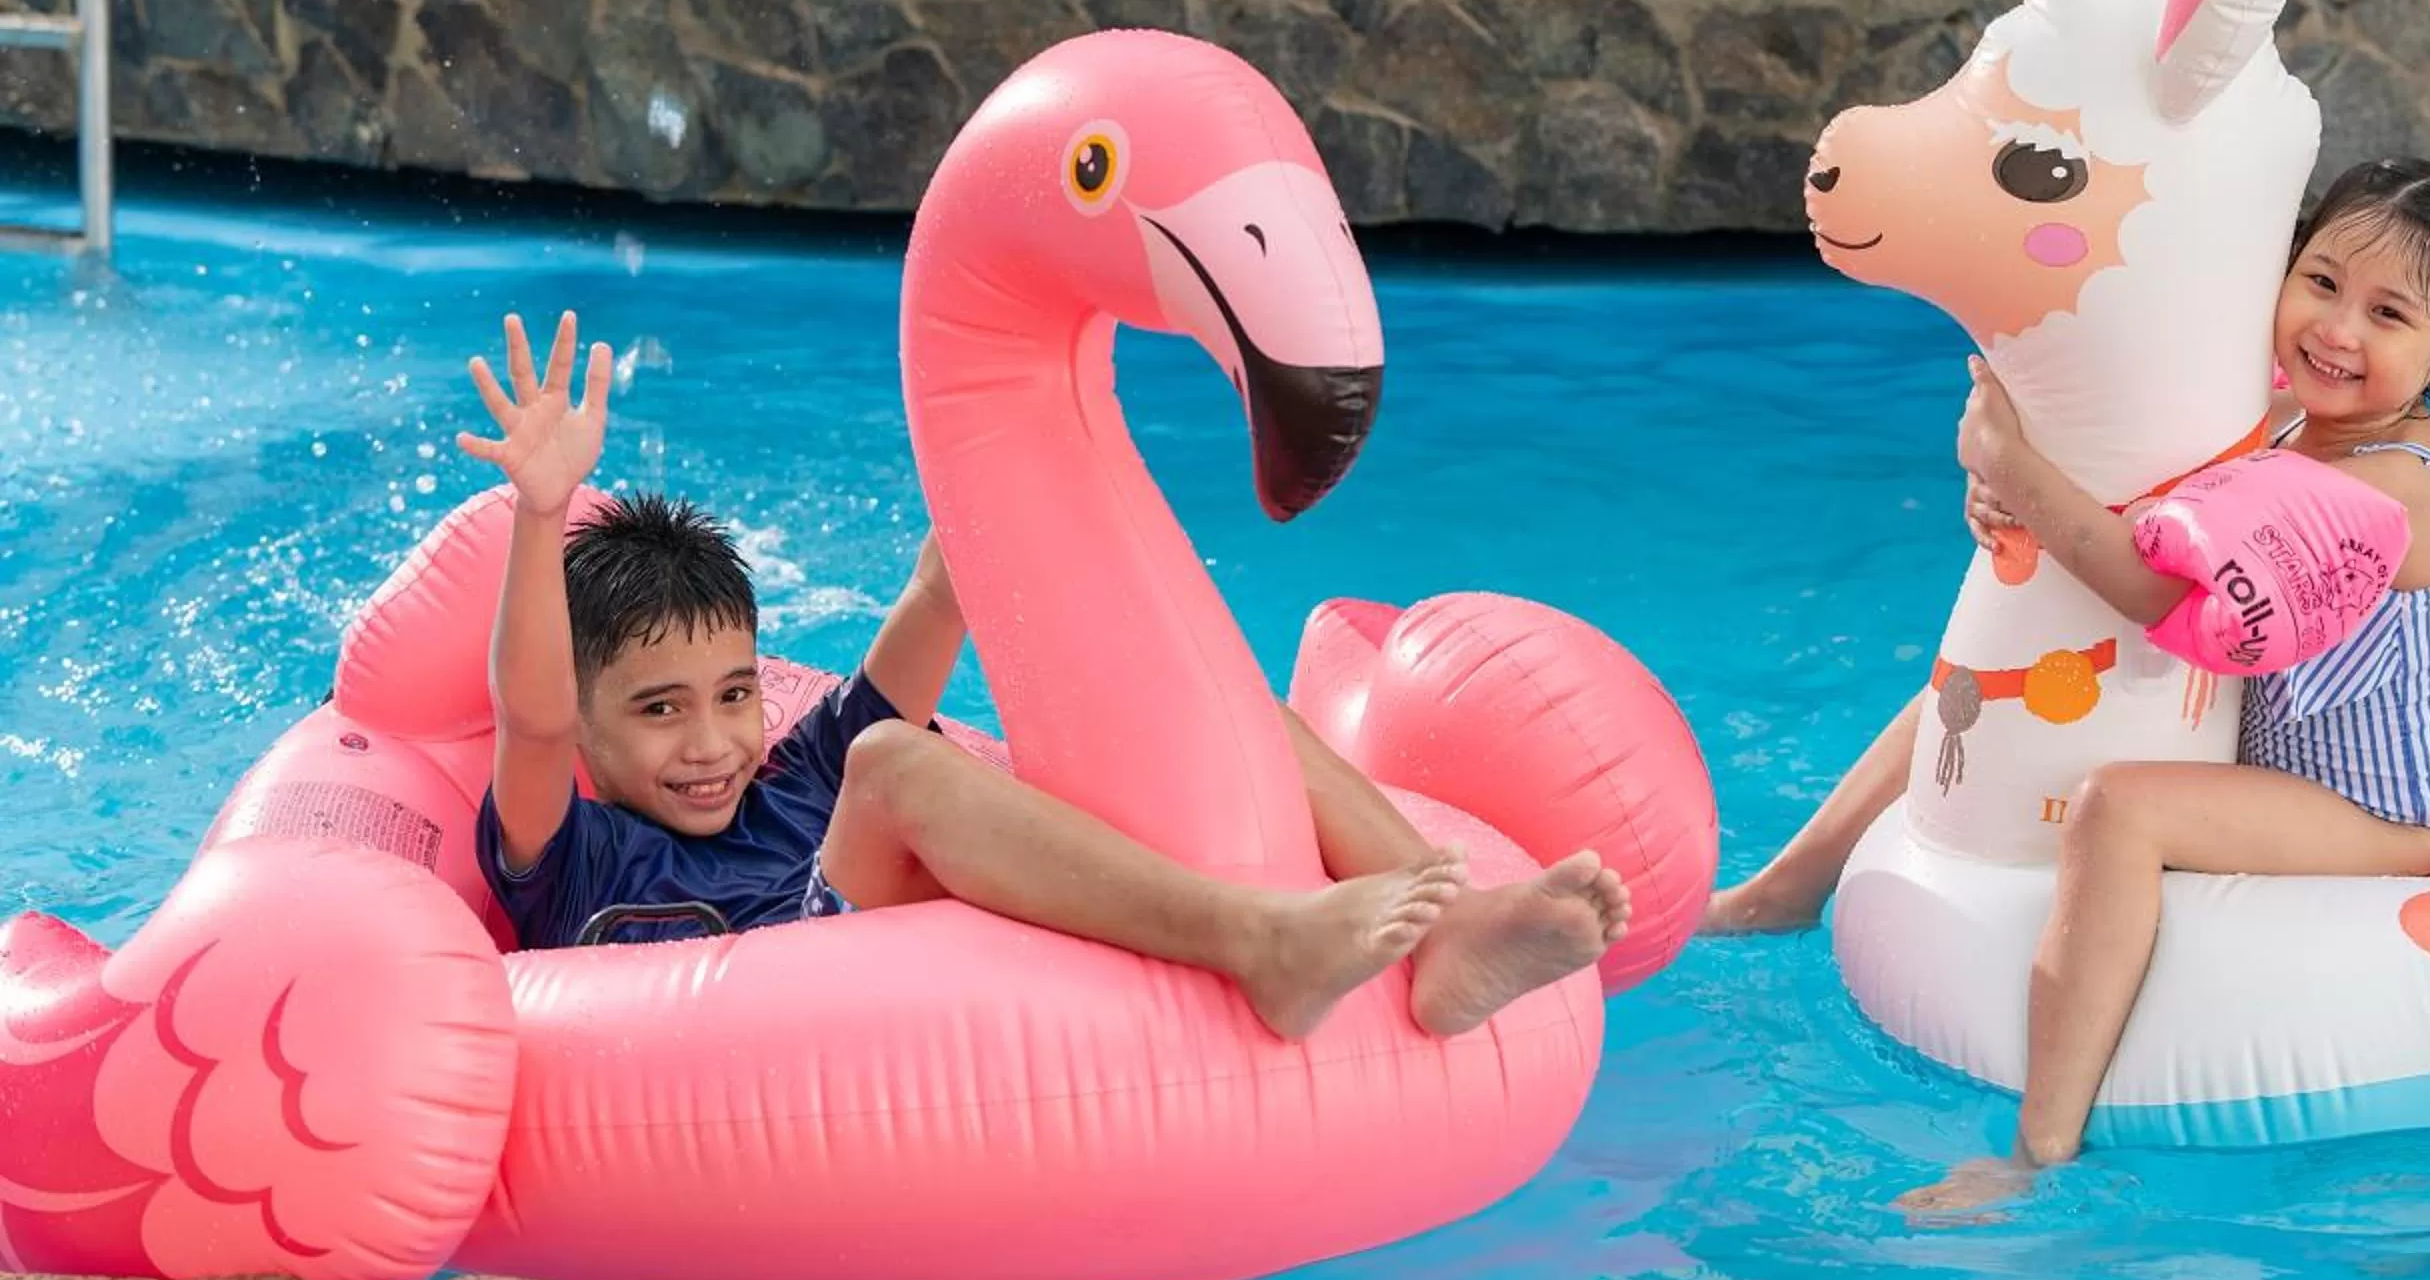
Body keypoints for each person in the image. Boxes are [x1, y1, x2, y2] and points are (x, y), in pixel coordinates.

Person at [457, 309, 1629, 1042]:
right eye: (658, 711)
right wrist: (543, 507)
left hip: (927, 964)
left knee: (1220, 701)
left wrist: (1026, 376)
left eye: (732, 693)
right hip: (797, 1019)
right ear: (592, 732)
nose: (711, 741)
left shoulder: (792, 779)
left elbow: (944, 585)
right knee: (892, 759)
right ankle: (1259, 941)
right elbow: (532, 710)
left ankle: (1454, 920)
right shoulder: (571, 853)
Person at [1709, 159, 2430, 1179]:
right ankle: (1786, 887)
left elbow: (2160, 595)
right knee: (1983, 680)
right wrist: (2003, 500)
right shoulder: (2281, 420)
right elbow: (2131, 501)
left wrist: (2016, 469)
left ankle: (2040, 1145)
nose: (2337, 329)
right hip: (2270, 755)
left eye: (2387, 313)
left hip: (2383, 813)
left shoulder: (2391, 487)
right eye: (2320, 282)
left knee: (2120, 807)